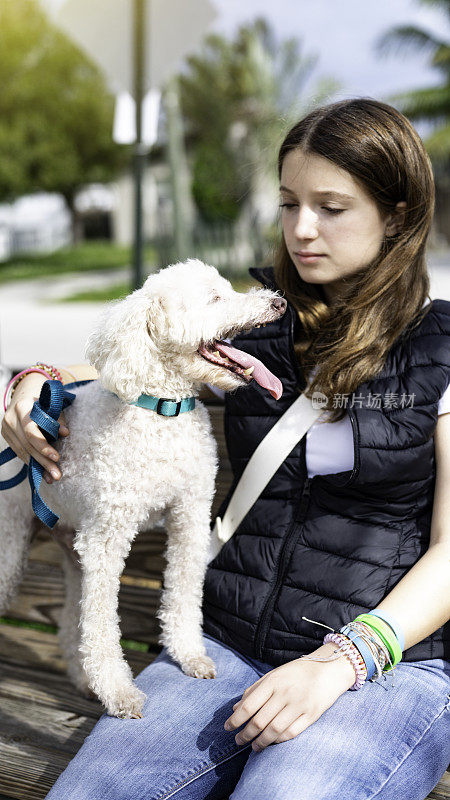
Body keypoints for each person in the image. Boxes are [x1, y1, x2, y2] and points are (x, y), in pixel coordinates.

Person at [2, 97, 450, 800]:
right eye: (288, 203)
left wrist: (342, 662)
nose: (302, 229)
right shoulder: (255, 329)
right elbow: (131, 366)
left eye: (331, 207)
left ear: (397, 215)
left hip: (386, 663)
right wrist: (34, 381)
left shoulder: (441, 349)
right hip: (226, 640)